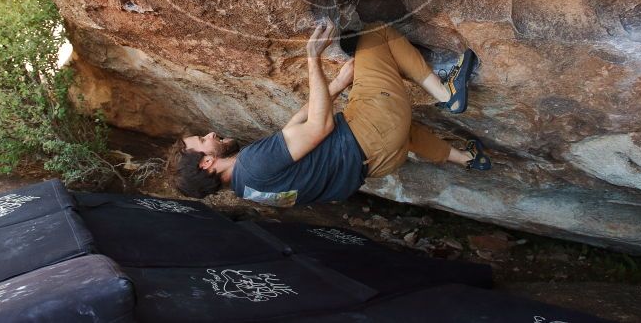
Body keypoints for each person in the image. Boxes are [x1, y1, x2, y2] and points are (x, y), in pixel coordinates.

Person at [169, 18, 491, 206]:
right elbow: (319, 128)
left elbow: (292, 132)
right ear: (207, 162)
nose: (210, 134)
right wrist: (313, 58)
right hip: (372, 131)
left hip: (381, 161)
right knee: (375, 33)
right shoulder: (253, 163)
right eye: (202, 139)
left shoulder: (248, 188)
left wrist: (336, 86)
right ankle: (447, 94)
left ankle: (466, 158)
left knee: (403, 133)